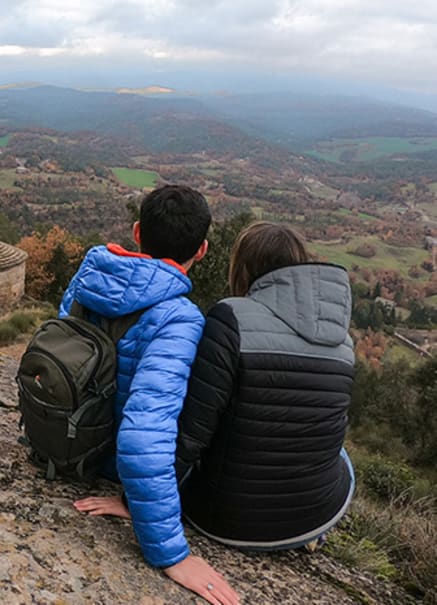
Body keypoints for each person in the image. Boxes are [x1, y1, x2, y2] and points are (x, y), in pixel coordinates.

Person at [63, 185, 240, 605]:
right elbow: (144, 435)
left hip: (59, 437)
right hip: (105, 462)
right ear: (202, 250)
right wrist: (169, 553)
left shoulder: (92, 276)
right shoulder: (179, 318)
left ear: (137, 232)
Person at [173, 221, 355, 551]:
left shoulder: (230, 317)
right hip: (314, 516)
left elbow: (192, 432)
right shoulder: (344, 341)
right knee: (342, 454)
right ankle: (309, 534)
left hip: (225, 517)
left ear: (243, 267)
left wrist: (137, 501)